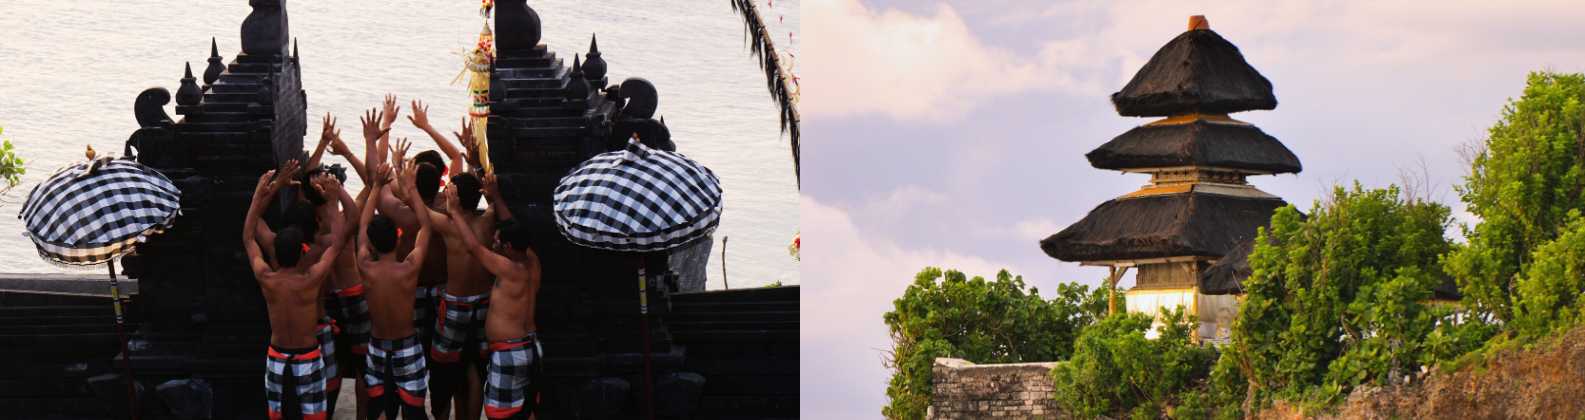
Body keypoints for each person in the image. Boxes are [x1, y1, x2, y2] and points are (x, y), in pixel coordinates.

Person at [244, 161, 351, 420]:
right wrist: (334, 198)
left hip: (277, 355)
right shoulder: (310, 279)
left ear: (276, 252)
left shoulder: (266, 276)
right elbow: (337, 243)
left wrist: (264, 192)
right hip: (307, 353)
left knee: (277, 414)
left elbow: (248, 235)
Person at [440, 186, 543, 420]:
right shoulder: (532, 261)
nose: (493, 241)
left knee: (501, 414)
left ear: (508, 247)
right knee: (527, 410)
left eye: (497, 240)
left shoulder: (507, 268)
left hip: (510, 352)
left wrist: (454, 212)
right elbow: (512, 226)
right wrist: (495, 196)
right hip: (530, 347)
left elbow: (474, 248)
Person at [425, 170, 510, 420]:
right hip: (484, 301)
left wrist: (408, 185)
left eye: (450, 190)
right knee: (476, 367)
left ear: (457, 200)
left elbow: (418, 208)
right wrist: (477, 166)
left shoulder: (449, 225)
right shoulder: (488, 220)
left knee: (443, 368)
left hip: (455, 306)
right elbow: (492, 200)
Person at [358, 158, 437, 420]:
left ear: (371, 243)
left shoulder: (365, 267)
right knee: (414, 411)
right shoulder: (409, 269)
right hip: (407, 345)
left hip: (378, 345)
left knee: (380, 410)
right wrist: (412, 190)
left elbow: (361, 226)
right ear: (400, 236)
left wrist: (376, 187)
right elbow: (426, 225)